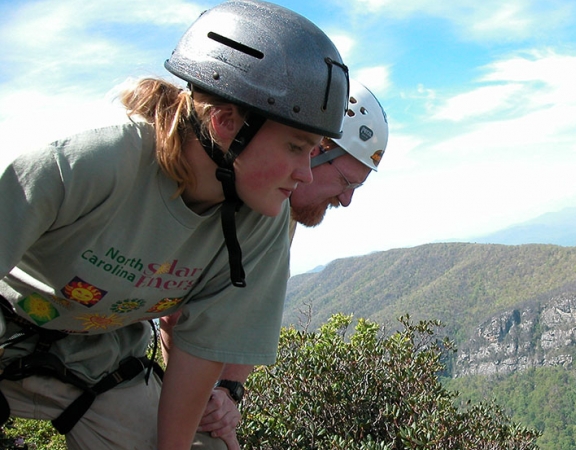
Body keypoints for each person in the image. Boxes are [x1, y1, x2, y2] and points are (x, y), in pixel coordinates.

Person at [0, 1, 348, 449]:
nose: (306, 173)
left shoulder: (260, 221)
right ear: (225, 124)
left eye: (314, 151)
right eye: (296, 147)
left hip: (96, 359)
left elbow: (199, 356)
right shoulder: (85, 165)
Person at [159, 82, 389, 448]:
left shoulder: (283, 215)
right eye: (346, 182)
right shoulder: (245, 204)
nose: (345, 200)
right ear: (313, 154)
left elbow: (249, 310)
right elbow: (177, 318)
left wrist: (230, 392)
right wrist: (206, 405)